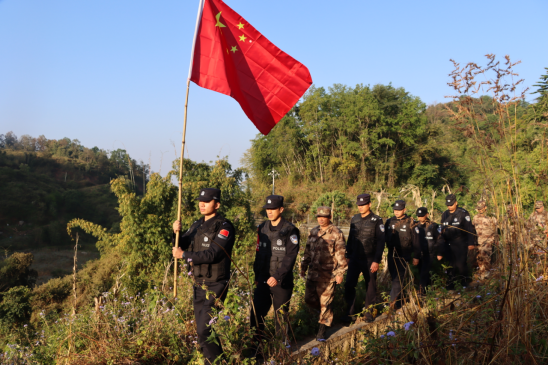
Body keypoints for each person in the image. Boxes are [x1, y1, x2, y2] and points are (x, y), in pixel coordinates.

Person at [172, 188, 236, 365]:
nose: (202, 204)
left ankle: (218, 362)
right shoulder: (196, 225)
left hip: (216, 284)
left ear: (217, 204)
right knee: (203, 331)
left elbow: (213, 254)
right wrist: (175, 232)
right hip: (198, 284)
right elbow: (181, 243)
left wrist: (184, 255)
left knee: (204, 328)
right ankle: (215, 362)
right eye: (201, 200)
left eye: (207, 201)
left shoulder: (225, 227)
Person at [250, 195, 300, 354]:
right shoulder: (262, 228)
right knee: (256, 315)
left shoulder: (290, 231)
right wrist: (257, 276)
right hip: (263, 280)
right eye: (267, 209)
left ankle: (281, 352)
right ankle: (256, 351)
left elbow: (290, 258)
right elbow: (258, 253)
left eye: (272, 209)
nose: (269, 212)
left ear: (281, 210)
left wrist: (277, 276)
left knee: (281, 318)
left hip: (281, 282)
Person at [300, 206, 347, 341]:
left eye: (324, 217)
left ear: (329, 217)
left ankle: (322, 331)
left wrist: (340, 272)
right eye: (319, 217)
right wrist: (303, 267)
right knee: (309, 299)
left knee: (325, 303)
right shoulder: (313, 232)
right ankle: (326, 312)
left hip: (328, 275)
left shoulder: (336, 233)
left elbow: (341, 255)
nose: (321, 219)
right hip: (313, 273)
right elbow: (307, 251)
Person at [343, 194, 385, 323]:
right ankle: (349, 315)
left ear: (369, 205)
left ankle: (368, 313)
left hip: (369, 259)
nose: (361, 207)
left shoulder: (377, 220)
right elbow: (350, 238)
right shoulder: (354, 219)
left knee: (370, 286)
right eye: (359, 205)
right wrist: (348, 255)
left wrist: (376, 260)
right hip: (355, 258)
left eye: (363, 205)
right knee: (349, 284)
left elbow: (381, 241)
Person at [385, 200, 420, 310]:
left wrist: (416, 256)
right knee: (394, 278)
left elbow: (416, 240)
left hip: (404, 254)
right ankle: (399, 302)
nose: (396, 212)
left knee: (398, 279)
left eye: (399, 210)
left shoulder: (411, 222)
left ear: (404, 210)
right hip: (392, 253)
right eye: (395, 210)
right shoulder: (389, 222)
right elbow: (384, 237)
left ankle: (391, 303)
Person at [437, 194, 476, 290]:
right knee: (450, 264)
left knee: (460, 264)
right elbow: (442, 230)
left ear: (456, 203)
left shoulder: (463, 213)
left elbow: (469, 229)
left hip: (460, 242)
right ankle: (450, 284)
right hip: (448, 242)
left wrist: (471, 242)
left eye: (451, 204)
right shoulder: (445, 214)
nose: (449, 206)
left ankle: (464, 282)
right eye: (448, 205)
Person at [415, 207, 443, 294]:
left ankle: (421, 291)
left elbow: (440, 239)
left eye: (422, 216)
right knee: (420, 272)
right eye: (419, 216)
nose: (420, 218)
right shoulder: (415, 226)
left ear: (427, 215)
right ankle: (425, 289)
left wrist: (440, 252)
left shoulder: (433, 226)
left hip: (430, 252)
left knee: (425, 271)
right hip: (419, 253)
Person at [472, 200, 498, 279]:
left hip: (488, 240)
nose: (480, 210)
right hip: (478, 240)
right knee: (479, 257)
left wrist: (495, 239)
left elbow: (496, 230)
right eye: (478, 208)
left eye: (481, 208)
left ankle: (487, 272)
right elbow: (472, 228)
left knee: (485, 256)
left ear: (485, 207)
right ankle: (482, 273)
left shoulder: (491, 217)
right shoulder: (475, 217)